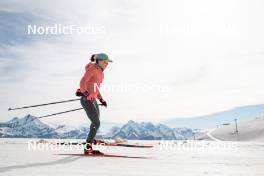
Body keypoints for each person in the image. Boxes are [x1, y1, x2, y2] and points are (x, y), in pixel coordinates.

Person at [77, 53, 112, 154]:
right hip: (86, 99)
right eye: (105, 62)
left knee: (96, 123)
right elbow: (83, 81)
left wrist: (101, 99)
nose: (107, 64)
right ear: (99, 61)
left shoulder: (101, 73)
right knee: (96, 123)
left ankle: (90, 142)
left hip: (93, 99)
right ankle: (88, 148)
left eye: (108, 62)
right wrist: (85, 93)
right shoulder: (93, 68)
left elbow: (95, 88)